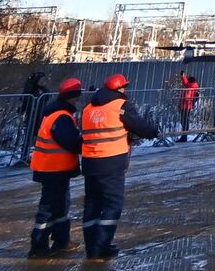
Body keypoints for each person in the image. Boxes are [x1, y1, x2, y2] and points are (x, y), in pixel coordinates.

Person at [79, 73, 160, 260]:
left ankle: (91, 247)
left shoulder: (88, 108)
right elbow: (139, 125)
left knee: (92, 205)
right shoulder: (120, 106)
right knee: (113, 204)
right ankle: (101, 246)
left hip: (90, 162)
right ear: (119, 89)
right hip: (111, 162)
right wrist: (153, 131)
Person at [27, 78, 85, 258]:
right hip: (53, 168)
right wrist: (85, 141)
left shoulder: (54, 113)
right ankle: (39, 245)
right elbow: (70, 142)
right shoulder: (61, 116)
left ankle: (61, 240)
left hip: (54, 167)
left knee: (60, 205)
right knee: (49, 207)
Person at [176, 71, 200, 143]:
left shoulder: (190, 88)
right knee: (184, 121)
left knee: (184, 121)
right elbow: (185, 83)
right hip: (187, 106)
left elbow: (187, 97)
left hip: (185, 106)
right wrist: (183, 76)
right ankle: (184, 136)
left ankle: (184, 136)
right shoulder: (192, 85)